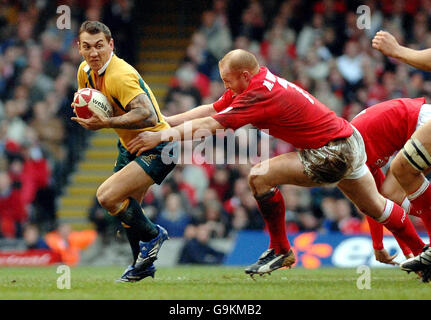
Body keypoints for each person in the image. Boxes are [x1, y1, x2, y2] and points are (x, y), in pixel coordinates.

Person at [126, 49, 426, 277]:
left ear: (244, 75)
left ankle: (281, 249)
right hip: (348, 140)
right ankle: (423, 254)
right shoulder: (257, 80)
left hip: (331, 150)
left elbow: (213, 124)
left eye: (228, 80)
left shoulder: (258, 94)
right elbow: (210, 107)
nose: (225, 86)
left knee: (260, 176)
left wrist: (161, 137)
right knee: (377, 206)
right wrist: (164, 123)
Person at [71, 21, 177, 282]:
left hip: (159, 144)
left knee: (107, 196)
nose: (93, 53)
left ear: (111, 45)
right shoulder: (84, 71)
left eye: (99, 46)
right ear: (79, 47)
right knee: (129, 209)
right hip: (130, 143)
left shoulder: (120, 75)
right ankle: (140, 268)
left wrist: (105, 122)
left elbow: (148, 114)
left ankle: (154, 235)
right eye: (87, 47)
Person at [373, 30, 431, 281]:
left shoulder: (348, 152)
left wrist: (397, 51)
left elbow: (370, 202)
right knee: (402, 169)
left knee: (401, 170)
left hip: (420, 116)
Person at [351, 98, 431, 265]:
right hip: (419, 125)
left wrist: (378, 245)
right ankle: (422, 252)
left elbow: (373, 205)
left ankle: (422, 252)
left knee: (393, 191)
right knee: (391, 193)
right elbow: (383, 205)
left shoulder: (351, 155)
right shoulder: (356, 148)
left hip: (423, 124)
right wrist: (407, 250)